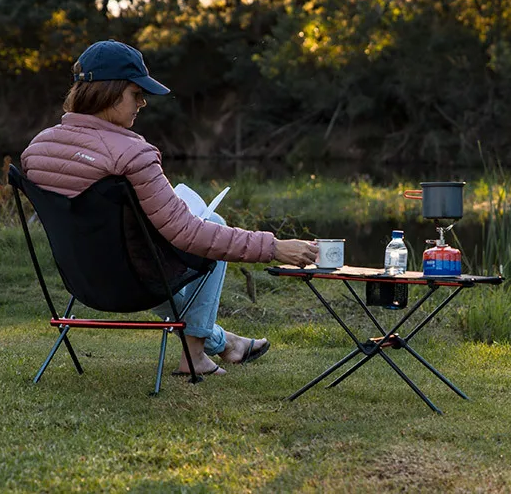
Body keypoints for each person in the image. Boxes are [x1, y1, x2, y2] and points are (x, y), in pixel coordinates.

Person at [21, 40, 318, 377]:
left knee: (171, 245)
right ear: (111, 93)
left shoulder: (37, 149)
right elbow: (190, 233)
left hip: (80, 280)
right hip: (135, 285)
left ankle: (224, 343)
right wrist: (275, 247)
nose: (143, 103)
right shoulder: (132, 154)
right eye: (136, 94)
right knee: (211, 225)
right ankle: (194, 356)